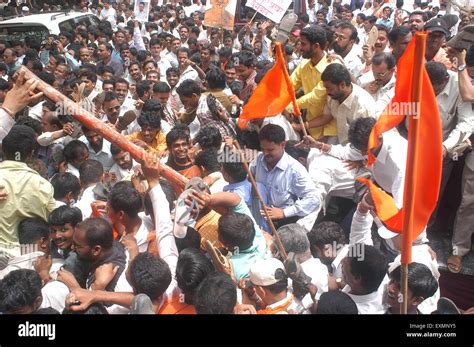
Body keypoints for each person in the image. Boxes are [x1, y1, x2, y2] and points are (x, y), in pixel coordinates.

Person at [250, 124, 320, 229]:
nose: (265, 154)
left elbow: (314, 199)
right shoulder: (258, 160)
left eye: (270, 150)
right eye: (262, 149)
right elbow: (249, 179)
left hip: (282, 223)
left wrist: (284, 212)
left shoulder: (295, 170)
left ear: (282, 145)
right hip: (259, 218)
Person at [0, 125, 56, 255]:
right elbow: (55, 220)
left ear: (2, 148)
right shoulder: (43, 185)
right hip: (28, 259)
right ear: (32, 153)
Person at [288, 26, 337, 141]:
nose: (300, 48)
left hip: (329, 130)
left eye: (303, 44)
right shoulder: (304, 64)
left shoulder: (331, 67)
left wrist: (291, 106)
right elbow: (289, 86)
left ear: (316, 46)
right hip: (310, 127)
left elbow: (316, 97)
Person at [319, 64, 376, 144]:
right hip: (343, 147)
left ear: (342, 85)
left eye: (330, 88)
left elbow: (365, 142)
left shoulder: (362, 105)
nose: (327, 92)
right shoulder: (333, 96)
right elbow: (326, 117)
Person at [341, 244, 388, 314]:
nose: (342, 261)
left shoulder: (354, 311)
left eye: (346, 261)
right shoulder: (378, 272)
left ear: (356, 278)